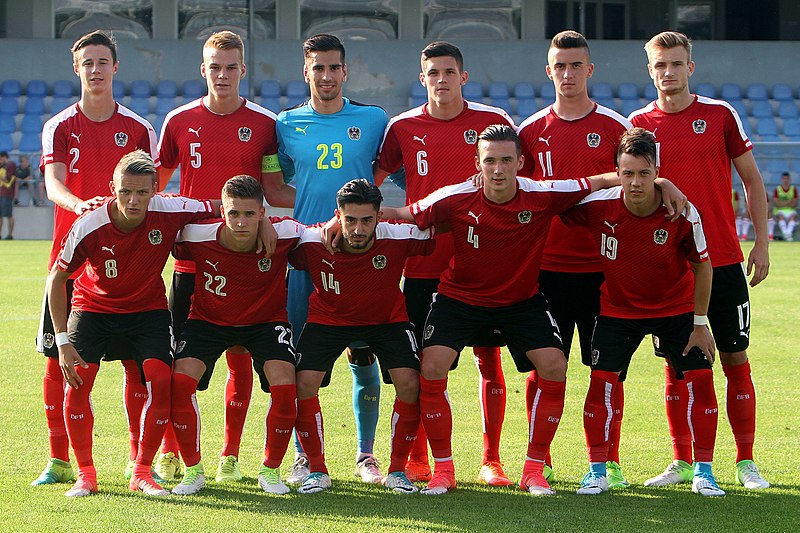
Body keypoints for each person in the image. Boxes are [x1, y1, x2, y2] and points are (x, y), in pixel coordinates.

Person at [374, 124, 633, 496]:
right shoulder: (456, 196)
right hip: (459, 299)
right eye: (490, 160)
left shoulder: (541, 194)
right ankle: (443, 470)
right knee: (430, 365)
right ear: (477, 163)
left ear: (520, 163)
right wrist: (346, 217)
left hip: (520, 302)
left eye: (506, 160)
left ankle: (533, 468)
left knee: (554, 365)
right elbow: (402, 213)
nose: (498, 169)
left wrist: (660, 184)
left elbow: (597, 180)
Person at [629, 31, 771, 490]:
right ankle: (683, 461)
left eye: (675, 63)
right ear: (649, 70)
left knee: (733, 355)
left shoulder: (719, 115)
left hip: (725, 259)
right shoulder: (638, 124)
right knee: (676, 361)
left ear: (690, 68)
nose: (667, 72)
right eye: (659, 65)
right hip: (670, 264)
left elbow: (751, 180)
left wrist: (762, 243)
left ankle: (746, 461)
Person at [373, 40, 516, 486]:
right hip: (422, 264)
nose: (441, 80)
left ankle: (491, 459)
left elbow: (519, 179)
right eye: (433, 73)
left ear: (463, 77)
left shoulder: (493, 123)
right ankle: (419, 456)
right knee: (424, 367)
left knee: (488, 360)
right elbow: (373, 180)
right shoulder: (402, 127)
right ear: (423, 79)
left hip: (483, 264)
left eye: (449, 72)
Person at [561, 127, 724, 497]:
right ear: (617, 172)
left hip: (677, 308)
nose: (635, 183)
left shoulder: (681, 211)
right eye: (627, 173)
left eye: (645, 173)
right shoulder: (598, 205)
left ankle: (705, 471)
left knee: (700, 379)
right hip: (619, 310)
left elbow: (703, 266)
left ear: (657, 171)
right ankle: (597, 470)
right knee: (602, 380)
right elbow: (554, 202)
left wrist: (700, 325)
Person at [156, 30, 288, 484]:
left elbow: (271, 188)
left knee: (240, 358)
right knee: (180, 366)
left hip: (247, 262)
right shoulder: (178, 121)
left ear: (243, 71)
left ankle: (229, 455)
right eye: (215, 66)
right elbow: (157, 186)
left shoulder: (266, 125)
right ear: (203, 69)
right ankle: (172, 450)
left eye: (231, 67)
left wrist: (269, 216)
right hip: (193, 263)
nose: (223, 75)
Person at [47, 150, 214, 497]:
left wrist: (264, 224)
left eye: (141, 192)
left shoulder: (170, 209)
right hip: (92, 310)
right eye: (125, 191)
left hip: (147, 312)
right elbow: (56, 279)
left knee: (160, 379)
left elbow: (222, 206)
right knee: (78, 382)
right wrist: (62, 340)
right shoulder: (89, 224)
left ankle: (141, 470)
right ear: (113, 188)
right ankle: (86, 474)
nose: (133, 200)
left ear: (155, 188)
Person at [34, 29, 159, 487]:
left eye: (102, 61)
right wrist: (78, 205)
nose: (95, 69)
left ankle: (136, 460)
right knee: (58, 359)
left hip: (126, 262)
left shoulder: (139, 128)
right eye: (87, 62)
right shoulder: (59, 126)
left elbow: (150, 192)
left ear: (115, 67)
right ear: (76, 68)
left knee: (137, 364)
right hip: (68, 258)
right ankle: (59, 460)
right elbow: (52, 184)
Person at [516, 30, 632, 487]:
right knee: (544, 366)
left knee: (607, 371)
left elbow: (634, 191)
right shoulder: (529, 132)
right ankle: (537, 458)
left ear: (590, 70)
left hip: (604, 270)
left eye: (576, 65)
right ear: (549, 71)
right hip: (546, 270)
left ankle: (608, 460)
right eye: (559, 66)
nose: (567, 74)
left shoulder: (616, 128)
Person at [274, 33, 390, 485]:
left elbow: (392, 173)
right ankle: (306, 455)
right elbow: (277, 184)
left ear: (345, 71)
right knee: (306, 364)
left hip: (363, 256)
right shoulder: (285, 124)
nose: (325, 75)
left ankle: (365, 455)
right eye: (317, 68)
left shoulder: (374, 120)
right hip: (307, 261)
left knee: (365, 356)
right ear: (306, 72)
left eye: (333, 67)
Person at [290, 179, 434, 495]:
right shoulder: (311, 240)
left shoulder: (398, 235)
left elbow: (440, 217)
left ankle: (397, 471)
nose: (358, 229)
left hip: (386, 320)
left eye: (367, 220)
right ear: (337, 215)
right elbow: (270, 226)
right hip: (329, 320)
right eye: (350, 219)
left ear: (380, 216)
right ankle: (316, 469)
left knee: (410, 383)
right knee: (302, 383)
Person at [169, 176, 303, 496]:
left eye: (249, 214)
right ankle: (193, 470)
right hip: (208, 320)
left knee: (286, 387)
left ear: (262, 212)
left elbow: (328, 231)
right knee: (178, 384)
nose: (241, 222)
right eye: (233, 214)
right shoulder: (196, 236)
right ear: (222, 212)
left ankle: (270, 471)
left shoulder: (286, 232)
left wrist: (270, 222)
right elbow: (161, 220)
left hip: (265, 322)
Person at [773, 171, 797, 241]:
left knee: (793, 217)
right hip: (779, 210)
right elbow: (777, 204)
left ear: (789, 180)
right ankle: (786, 234)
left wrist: (782, 203)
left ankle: (788, 234)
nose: (785, 180)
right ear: (782, 179)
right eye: (784, 179)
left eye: (787, 179)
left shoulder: (793, 189)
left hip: (790, 209)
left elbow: (794, 204)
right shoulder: (777, 189)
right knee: (781, 217)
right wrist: (789, 201)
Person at [0, 151, 15, 239]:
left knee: (9, 215)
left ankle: (10, 235)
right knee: (0, 216)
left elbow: (7, 179)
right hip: (1, 192)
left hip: (7, 193)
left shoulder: (10, 165)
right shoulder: (2, 166)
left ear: (4, 157)